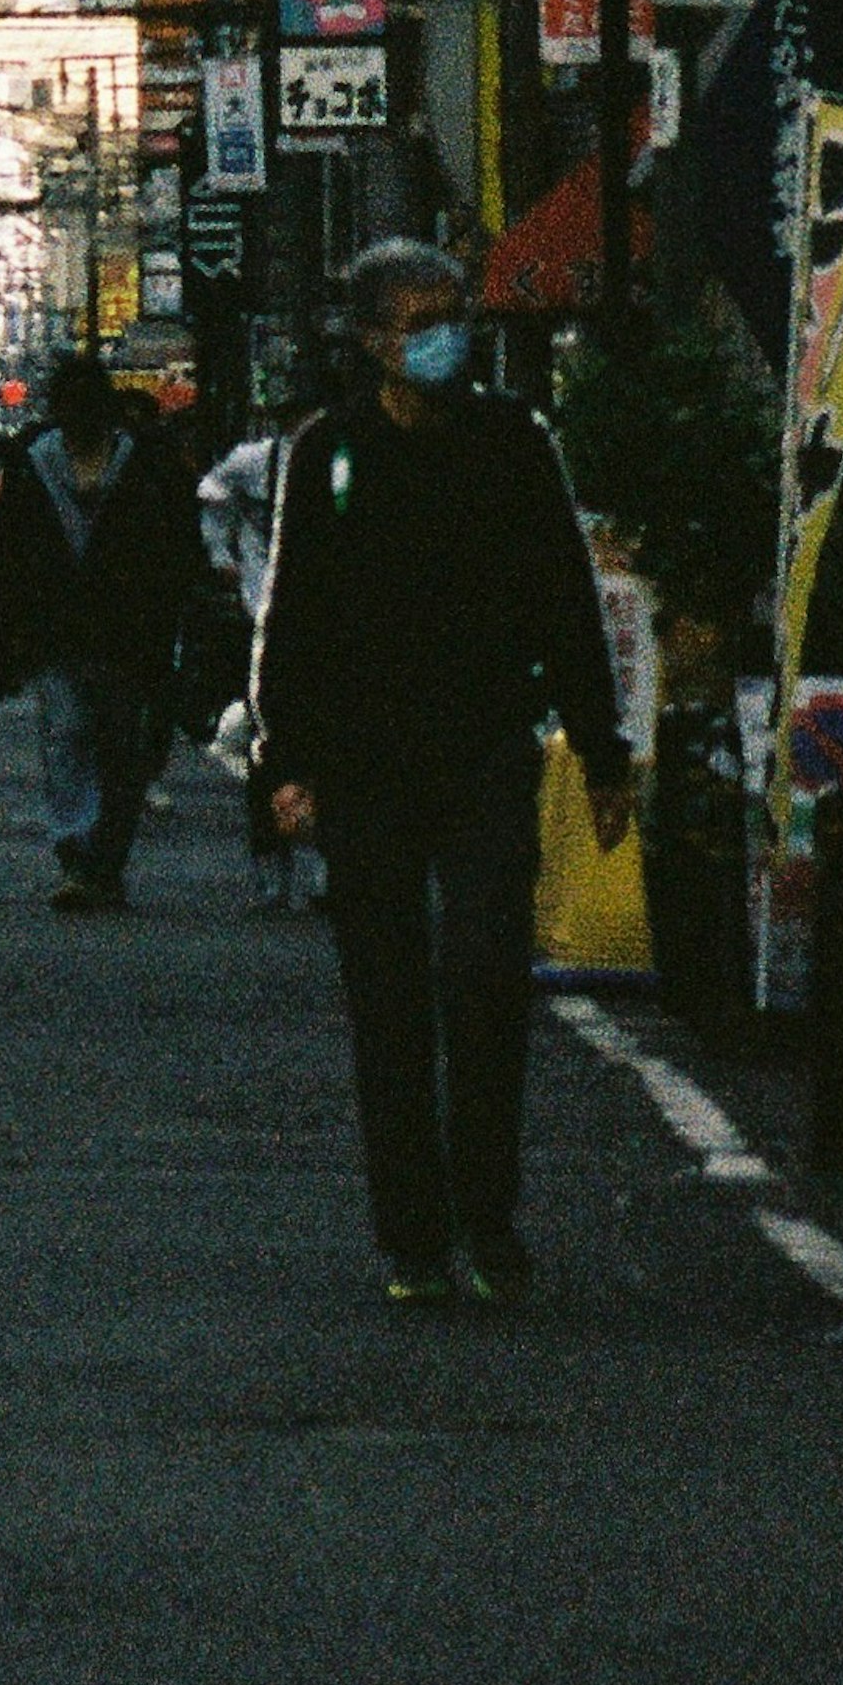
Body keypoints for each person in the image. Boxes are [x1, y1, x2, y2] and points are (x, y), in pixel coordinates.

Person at [252, 235, 635, 1307]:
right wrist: (286, 761)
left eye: (452, 314)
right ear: (372, 338)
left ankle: (490, 1217)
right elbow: (295, 618)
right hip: (367, 763)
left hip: (483, 753)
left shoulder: (512, 441)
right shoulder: (329, 450)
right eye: (419, 321)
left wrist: (604, 752)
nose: (443, 338)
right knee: (386, 1001)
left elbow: (566, 598)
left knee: (485, 980)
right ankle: (412, 1235)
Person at [0, 346, 199, 910]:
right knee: (69, 735)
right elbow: (5, 550)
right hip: (61, 630)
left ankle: (102, 861)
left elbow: (174, 544)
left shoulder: (141, 465)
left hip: (124, 631)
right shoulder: (36, 467)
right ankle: (78, 852)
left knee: (113, 748)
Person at [194, 419, 294, 905]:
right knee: (267, 746)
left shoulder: (350, 459)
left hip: (330, 625)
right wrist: (220, 552)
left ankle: (320, 859)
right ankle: (271, 860)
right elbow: (211, 494)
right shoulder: (256, 462)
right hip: (262, 619)